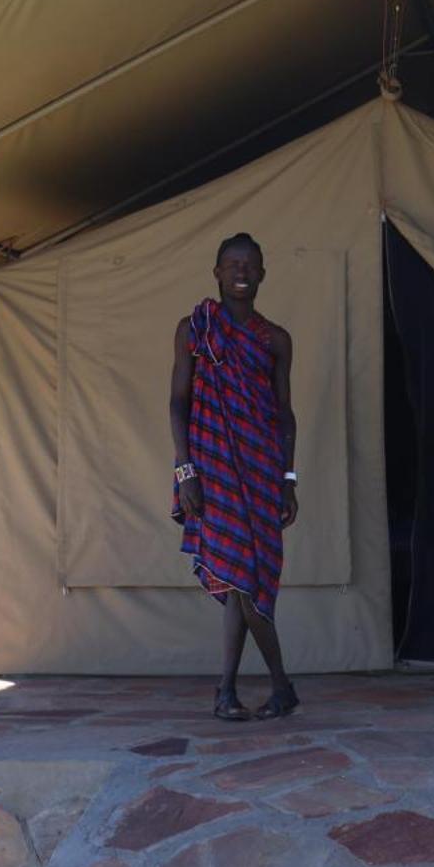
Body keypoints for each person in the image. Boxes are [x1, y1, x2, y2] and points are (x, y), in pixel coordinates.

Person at [169, 232, 301, 721]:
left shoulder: (277, 340)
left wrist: (289, 478)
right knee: (239, 580)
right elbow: (177, 403)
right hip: (212, 469)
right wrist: (185, 470)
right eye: (232, 264)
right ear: (217, 273)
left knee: (246, 581)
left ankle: (235, 691)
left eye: (250, 264)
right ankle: (266, 688)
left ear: (263, 273)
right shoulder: (194, 329)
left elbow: (286, 416)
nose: (241, 271)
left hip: (264, 471)